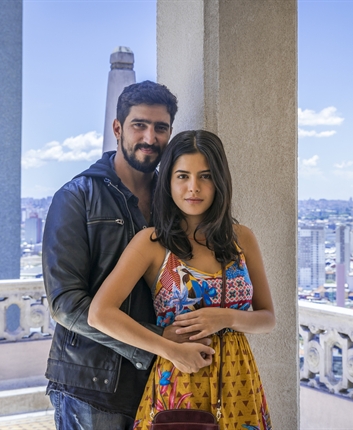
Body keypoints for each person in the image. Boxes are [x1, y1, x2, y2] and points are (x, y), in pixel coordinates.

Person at [43, 81, 215, 430]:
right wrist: (155, 344)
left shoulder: (175, 200)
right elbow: (65, 304)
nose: (150, 138)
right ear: (118, 128)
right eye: (139, 125)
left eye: (161, 128)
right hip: (92, 384)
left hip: (161, 378)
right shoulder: (76, 197)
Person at [88, 129, 275, 430]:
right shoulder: (152, 243)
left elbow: (268, 318)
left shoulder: (242, 239)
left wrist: (225, 317)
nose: (193, 188)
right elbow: (100, 314)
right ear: (169, 181)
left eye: (205, 176)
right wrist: (170, 350)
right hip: (180, 384)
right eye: (182, 176)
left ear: (220, 181)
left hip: (241, 385)